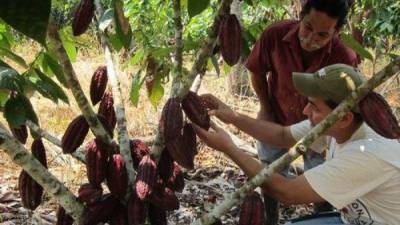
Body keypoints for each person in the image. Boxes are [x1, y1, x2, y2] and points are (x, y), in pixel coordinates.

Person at [192, 64, 400, 225]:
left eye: (314, 107)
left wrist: (228, 147)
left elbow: (286, 192)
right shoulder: (339, 124)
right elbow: (282, 135)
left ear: (343, 118)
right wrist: (233, 116)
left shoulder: (368, 154)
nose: (305, 112)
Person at [245, 0, 358, 219]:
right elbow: (256, 71)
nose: (310, 39)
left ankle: (321, 217)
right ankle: (271, 219)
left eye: (322, 35)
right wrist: (265, 108)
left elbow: (346, 103)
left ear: (337, 32)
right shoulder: (274, 35)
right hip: (277, 115)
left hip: (321, 126)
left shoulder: (344, 57)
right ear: (301, 15)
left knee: (320, 179)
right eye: (307, 27)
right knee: (270, 171)